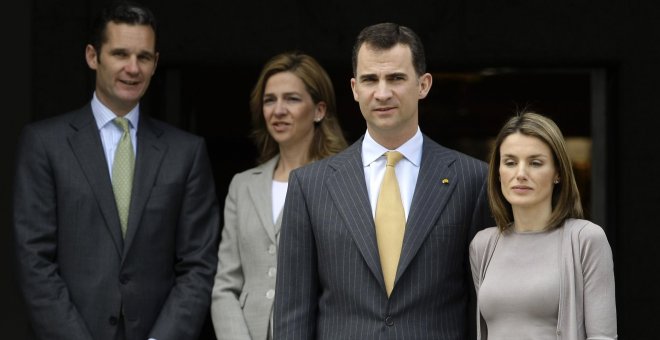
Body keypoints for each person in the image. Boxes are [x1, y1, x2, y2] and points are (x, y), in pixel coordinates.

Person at [12, 2, 220, 340]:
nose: (133, 68)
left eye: (144, 57)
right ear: (93, 57)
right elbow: (34, 260)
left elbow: (199, 263)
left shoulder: (186, 152)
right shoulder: (44, 144)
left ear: (155, 64)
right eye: (120, 54)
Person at [274, 22, 493, 339]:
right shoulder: (310, 186)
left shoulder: (471, 179)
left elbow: (481, 305)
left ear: (423, 84)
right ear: (354, 89)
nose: (382, 92)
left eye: (396, 78)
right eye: (370, 79)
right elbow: (292, 313)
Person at [210, 52, 347, 340]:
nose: (278, 110)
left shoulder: (343, 182)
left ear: (319, 110)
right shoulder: (243, 185)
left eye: (292, 99)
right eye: (270, 100)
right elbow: (226, 285)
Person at [469, 112, 617, 339]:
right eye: (510, 162)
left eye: (535, 163)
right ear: (498, 172)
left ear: (557, 172)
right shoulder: (484, 244)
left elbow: (603, 336)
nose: (520, 174)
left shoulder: (585, 239)